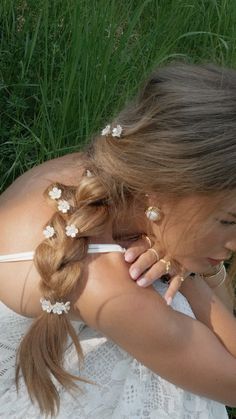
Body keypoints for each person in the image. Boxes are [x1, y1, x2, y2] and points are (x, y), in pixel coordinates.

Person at [0, 61, 236, 419]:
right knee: (168, 355)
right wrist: (186, 280)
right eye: (227, 221)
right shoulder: (105, 279)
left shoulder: (98, 177)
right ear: (162, 191)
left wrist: (179, 261)